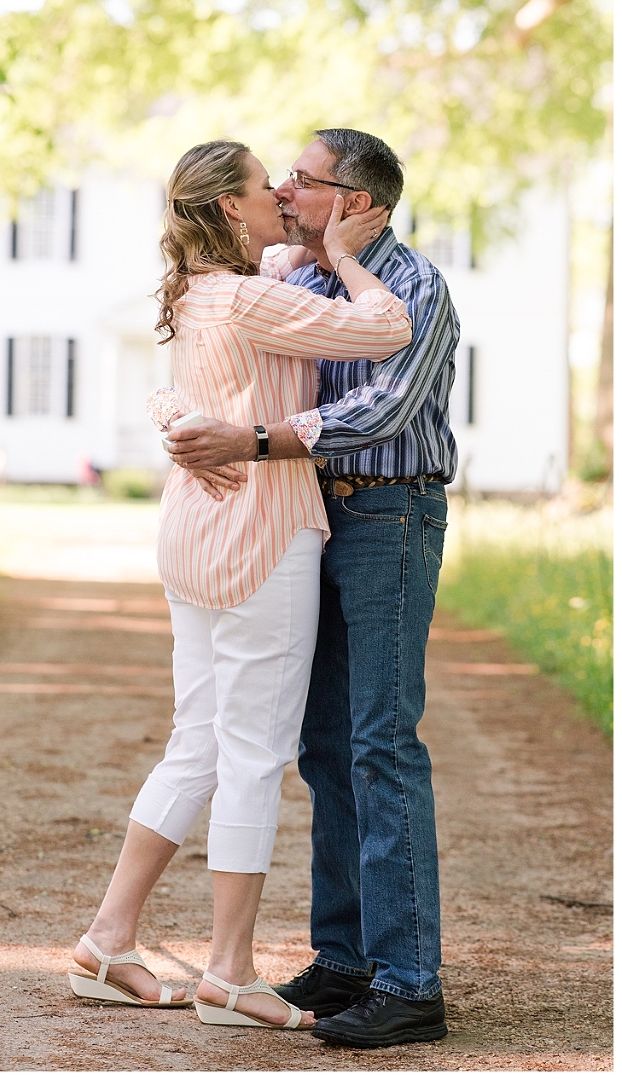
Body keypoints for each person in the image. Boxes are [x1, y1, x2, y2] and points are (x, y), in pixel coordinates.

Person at [68, 139, 413, 1030]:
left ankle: (108, 940)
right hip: (264, 532)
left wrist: (179, 413)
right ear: (228, 208)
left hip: (191, 533)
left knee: (198, 742)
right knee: (253, 750)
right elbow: (387, 329)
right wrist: (343, 257)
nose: (283, 198)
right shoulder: (255, 294)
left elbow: (177, 381)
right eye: (268, 188)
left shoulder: (198, 288)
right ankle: (228, 969)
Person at [163, 129, 460, 1049]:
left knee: (379, 739)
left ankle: (411, 980)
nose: (286, 190)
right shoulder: (294, 279)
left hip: (388, 518)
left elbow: (382, 409)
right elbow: (207, 356)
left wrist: (249, 441)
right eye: (281, 177)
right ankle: (343, 959)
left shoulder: (416, 286)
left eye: (306, 179)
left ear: (358, 200)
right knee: (321, 743)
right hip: (311, 518)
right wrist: (182, 422)